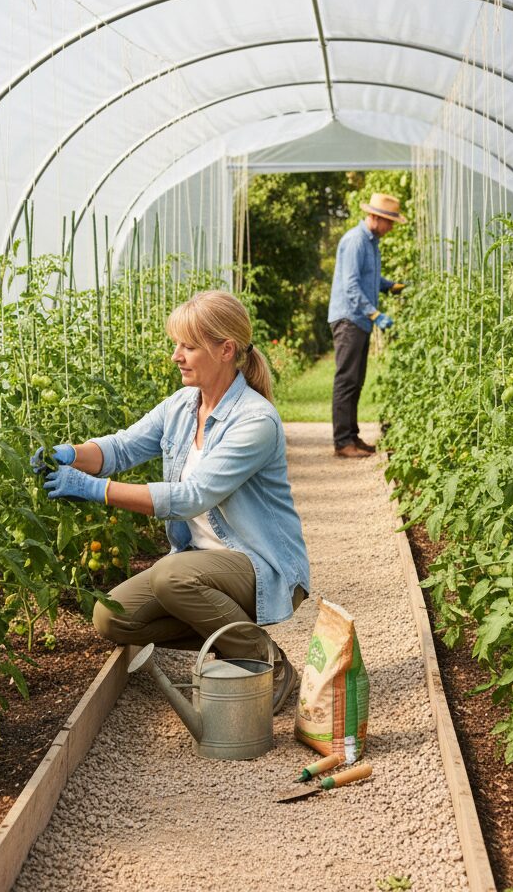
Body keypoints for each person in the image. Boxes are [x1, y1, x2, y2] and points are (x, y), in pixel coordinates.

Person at [30, 290, 310, 714]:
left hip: (259, 563)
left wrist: (96, 490)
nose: (176, 356)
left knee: (171, 576)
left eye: (188, 346)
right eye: (176, 344)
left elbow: (192, 496)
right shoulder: (182, 406)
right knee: (113, 617)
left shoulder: (255, 421)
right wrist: (71, 452)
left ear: (225, 350)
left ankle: (265, 660)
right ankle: (230, 640)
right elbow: (120, 448)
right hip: (201, 565)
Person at [327, 192, 406, 459]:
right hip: (349, 318)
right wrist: (375, 314)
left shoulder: (371, 243)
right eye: (389, 222)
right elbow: (350, 285)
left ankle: (352, 435)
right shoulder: (355, 241)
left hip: (359, 319)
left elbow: (367, 277)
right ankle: (342, 442)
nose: (391, 228)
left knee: (356, 380)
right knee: (346, 380)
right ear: (376, 217)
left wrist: (388, 285)